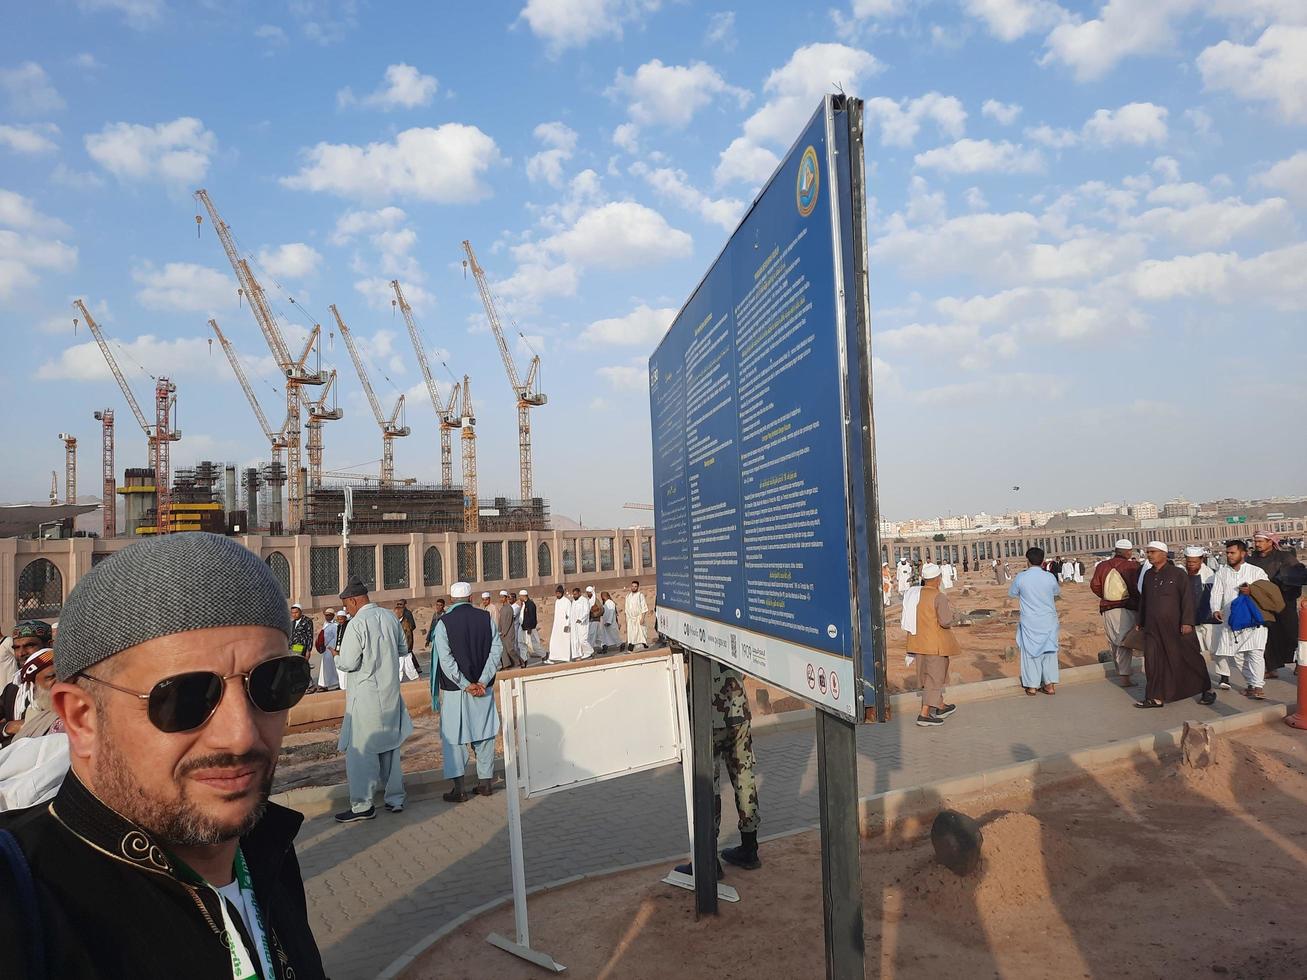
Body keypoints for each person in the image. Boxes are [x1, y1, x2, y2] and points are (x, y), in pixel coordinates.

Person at [0, 531, 324, 979]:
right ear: (81, 719)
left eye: (271, 684)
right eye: (185, 697)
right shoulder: (23, 900)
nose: (240, 735)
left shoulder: (267, 851)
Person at [334, 576, 413, 822]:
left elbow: (348, 663)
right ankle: (395, 799)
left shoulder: (357, 624)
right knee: (390, 747)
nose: (346, 610)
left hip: (366, 697)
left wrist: (337, 656)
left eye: (347, 605)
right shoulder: (390, 617)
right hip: (389, 694)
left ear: (355, 600)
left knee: (362, 752)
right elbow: (403, 649)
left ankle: (362, 805)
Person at [674, 662, 762, 878]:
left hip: (705, 710)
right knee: (744, 778)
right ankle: (750, 848)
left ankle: (709, 860)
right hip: (737, 706)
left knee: (707, 785)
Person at [430, 582, 501, 802]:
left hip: (455, 691)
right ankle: (485, 783)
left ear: (451, 600)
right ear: (471, 597)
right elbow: (496, 650)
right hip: (482, 690)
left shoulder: (444, 623)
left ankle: (459, 789)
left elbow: (446, 659)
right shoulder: (485, 618)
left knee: (455, 738)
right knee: (484, 735)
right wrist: (482, 680)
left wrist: (464, 683)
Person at [1135, 541, 1216, 708]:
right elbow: (1144, 600)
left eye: (1153, 552)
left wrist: (1187, 622)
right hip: (1152, 627)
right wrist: (1140, 621)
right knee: (1152, 661)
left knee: (1189, 658)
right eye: (1148, 552)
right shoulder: (1148, 575)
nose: (1149, 555)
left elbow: (1187, 599)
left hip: (1177, 627)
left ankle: (1206, 689)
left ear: (1164, 554)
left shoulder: (1178, 574)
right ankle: (1155, 697)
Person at [1209, 539, 1269, 698]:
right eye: (1227, 552)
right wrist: (1216, 609)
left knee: (1256, 652)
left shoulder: (1256, 572)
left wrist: (1252, 592)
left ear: (1243, 553)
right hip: (1233, 621)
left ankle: (1258, 687)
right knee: (1238, 655)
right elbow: (1216, 593)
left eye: (1232, 552)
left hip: (1254, 619)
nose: (1229, 555)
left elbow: (1267, 591)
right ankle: (1251, 683)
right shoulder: (1222, 572)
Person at [903, 563, 959, 728]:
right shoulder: (938, 596)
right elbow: (945, 621)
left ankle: (940, 707)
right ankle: (924, 714)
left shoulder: (915, 594)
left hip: (918, 643)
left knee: (928, 676)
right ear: (937, 579)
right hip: (935, 644)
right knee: (934, 678)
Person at [1248, 531, 1304, 678]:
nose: (1257, 544)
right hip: (1262, 603)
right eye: (1256, 541)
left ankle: (1300, 662)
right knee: (1268, 636)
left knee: (1292, 634)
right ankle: (1271, 667)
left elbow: (1298, 574)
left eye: (1261, 541)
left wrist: (1282, 581)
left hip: (1285, 602)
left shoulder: (1284, 557)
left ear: (1270, 542)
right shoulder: (1251, 560)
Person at [1008, 547, 1061, 696]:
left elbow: (1012, 593)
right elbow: (1056, 592)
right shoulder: (1049, 577)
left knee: (1030, 653)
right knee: (1049, 652)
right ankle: (1049, 685)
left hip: (1030, 620)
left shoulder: (1021, 577)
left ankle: (1032, 686)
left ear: (1028, 561)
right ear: (1043, 561)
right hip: (1048, 619)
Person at [1090, 538, 1143, 688]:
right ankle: (1125, 678)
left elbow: (1095, 585)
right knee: (1124, 642)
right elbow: (1136, 587)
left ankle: (1122, 673)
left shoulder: (1102, 566)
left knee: (1114, 642)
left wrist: (1106, 597)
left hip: (1107, 609)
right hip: (1125, 608)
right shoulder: (1131, 566)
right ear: (1127, 552)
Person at [2, 620, 53, 747]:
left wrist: (32, 724)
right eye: (16, 648)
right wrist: (8, 727)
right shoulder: (12, 689)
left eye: (29, 645)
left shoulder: (65, 682)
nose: (21, 653)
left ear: (49, 645)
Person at [10, 647, 63, 740]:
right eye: (51, 677)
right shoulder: (32, 714)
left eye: (63, 673)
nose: (60, 680)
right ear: (34, 686)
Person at [1183, 546, 1219, 669]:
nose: (1191, 564)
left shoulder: (1210, 575)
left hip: (1208, 617)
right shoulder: (1182, 573)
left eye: (1194, 562)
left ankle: (1223, 676)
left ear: (1201, 560)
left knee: (1214, 648)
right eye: (1189, 562)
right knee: (1197, 650)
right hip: (1191, 618)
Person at [394, 598, 421, 680]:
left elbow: (408, 636)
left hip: (404, 648)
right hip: (400, 649)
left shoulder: (406, 620)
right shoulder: (395, 622)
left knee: (404, 666)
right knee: (405, 666)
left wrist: (406, 648)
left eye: (400, 604)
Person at [496, 591, 524, 669]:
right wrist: (499, 631)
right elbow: (501, 621)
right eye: (500, 597)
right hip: (502, 633)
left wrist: (504, 632)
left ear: (506, 598)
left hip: (509, 632)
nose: (501, 599)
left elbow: (508, 622)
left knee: (510, 649)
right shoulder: (502, 608)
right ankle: (506, 665)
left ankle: (520, 662)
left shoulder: (509, 608)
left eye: (503, 597)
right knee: (504, 650)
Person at [547, 585, 573, 663]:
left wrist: (567, 625)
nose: (557, 595)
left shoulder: (567, 601)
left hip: (564, 626)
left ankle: (566, 657)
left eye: (558, 593)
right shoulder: (557, 601)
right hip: (556, 625)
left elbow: (569, 614)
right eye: (556, 593)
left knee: (565, 641)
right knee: (554, 641)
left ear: (562, 593)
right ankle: (553, 657)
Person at [624, 579, 650, 651]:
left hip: (638, 617)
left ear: (638, 587)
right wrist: (626, 619)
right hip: (630, 618)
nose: (633, 588)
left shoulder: (640, 595)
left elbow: (644, 607)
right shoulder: (628, 596)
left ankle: (644, 644)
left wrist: (642, 618)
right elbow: (626, 608)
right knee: (631, 633)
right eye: (632, 586)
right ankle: (631, 646)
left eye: (635, 586)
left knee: (641, 632)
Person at [519, 590, 544, 660]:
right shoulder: (524, 604)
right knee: (524, 644)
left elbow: (532, 617)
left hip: (529, 628)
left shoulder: (530, 604)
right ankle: (524, 659)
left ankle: (544, 654)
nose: (519, 598)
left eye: (520, 596)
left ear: (524, 596)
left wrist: (529, 628)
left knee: (533, 644)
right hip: (524, 628)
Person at [571, 586, 594, 659]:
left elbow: (586, 611)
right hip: (575, 625)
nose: (574, 596)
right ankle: (583, 653)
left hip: (583, 624)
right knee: (577, 640)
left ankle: (589, 651)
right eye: (573, 594)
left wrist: (581, 619)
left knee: (583, 640)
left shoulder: (584, 600)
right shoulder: (574, 602)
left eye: (576, 594)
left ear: (579, 593)